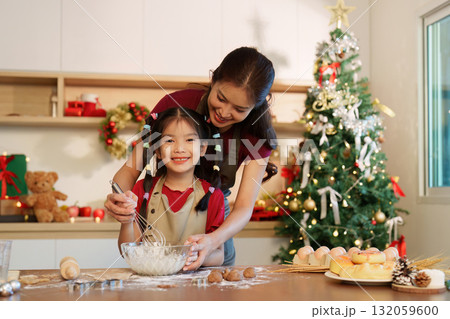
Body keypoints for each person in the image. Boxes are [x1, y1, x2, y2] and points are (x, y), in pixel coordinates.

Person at [105, 46, 278, 269]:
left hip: (213, 219)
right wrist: (121, 201)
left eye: (239, 109)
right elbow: (130, 170)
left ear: (255, 107)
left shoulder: (257, 135)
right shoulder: (175, 105)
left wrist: (213, 240)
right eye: (221, 98)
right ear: (213, 79)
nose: (224, 112)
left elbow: (244, 207)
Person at [116, 107, 225, 268]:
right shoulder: (142, 190)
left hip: (194, 288)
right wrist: (127, 220)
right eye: (169, 140)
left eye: (189, 140)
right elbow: (128, 253)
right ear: (158, 151)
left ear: (203, 149)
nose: (179, 149)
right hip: (150, 288)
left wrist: (192, 256)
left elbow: (219, 256)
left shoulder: (213, 196)